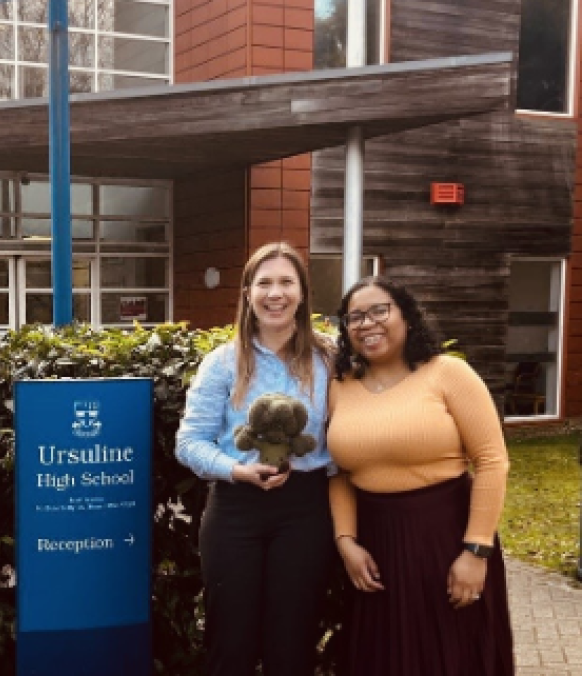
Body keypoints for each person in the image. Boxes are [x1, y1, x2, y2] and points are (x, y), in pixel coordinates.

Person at [327, 276, 513, 674]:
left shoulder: (447, 374)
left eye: (380, 310)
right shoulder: (339, 388)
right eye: (354, 317)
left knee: (450, 655)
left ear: (407, 317)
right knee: (383, 658)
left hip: (445, 539)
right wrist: (346, 541)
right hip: (374, 550)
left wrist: (476, 551)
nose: (367, 323)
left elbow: (493, 460)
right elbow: (339, 471)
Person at [175, 242, 335, 676]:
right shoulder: (222, 363)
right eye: (264, 283)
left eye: (286, 282)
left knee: (294, 642)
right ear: (248, 293)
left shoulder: (330, 360)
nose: (275, 293)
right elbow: (189, 442)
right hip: (235, 509)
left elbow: (346, 435)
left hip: (305, 509)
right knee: (231, 643)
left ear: (302, 293)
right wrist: (237, 470)